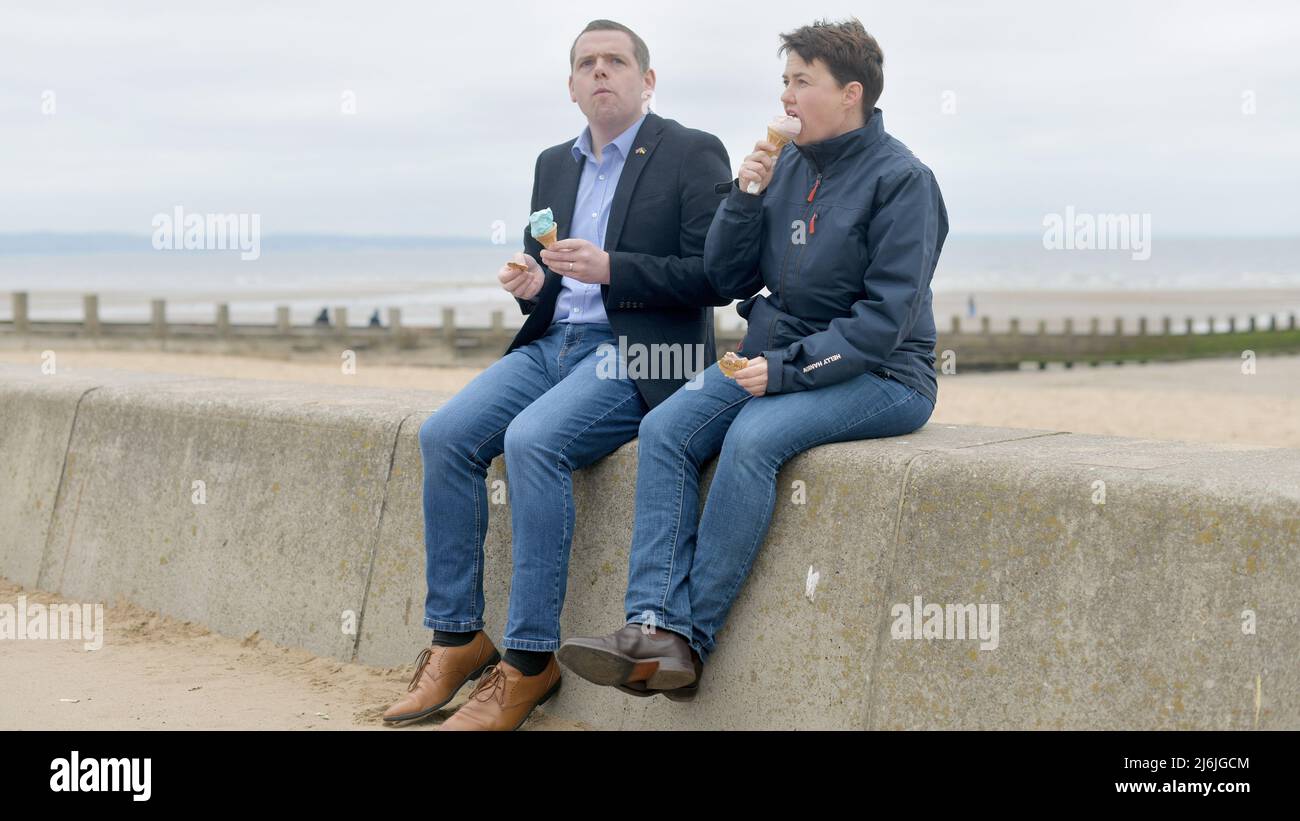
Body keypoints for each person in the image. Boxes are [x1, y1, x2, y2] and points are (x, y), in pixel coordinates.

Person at [558, 17, 948, 700]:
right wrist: (744, 198)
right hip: (774, 351)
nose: (787, 97)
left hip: (883, 374)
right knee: (666, 427)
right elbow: (728, 276)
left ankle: (687, 641)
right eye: (786, 81)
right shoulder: (790, 164)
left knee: (752, 438)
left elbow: (885, 322)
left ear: (850, 93)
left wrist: (792, 371)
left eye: (803, 82)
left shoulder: (904, 181)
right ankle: (650, 623)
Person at [381, 19, 732, 731]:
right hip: (551, 345)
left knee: (534, 440)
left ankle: (528, 660)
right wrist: (531, 283)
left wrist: (615, 270)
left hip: (637, 353)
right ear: (571, 86)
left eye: (617, 61)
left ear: (646, 80)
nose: (601, 72)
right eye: (587, 63)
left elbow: (714, 277)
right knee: (445, 435)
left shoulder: (693, 153)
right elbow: (546, 266)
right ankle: (455, 639)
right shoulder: (553, 162)